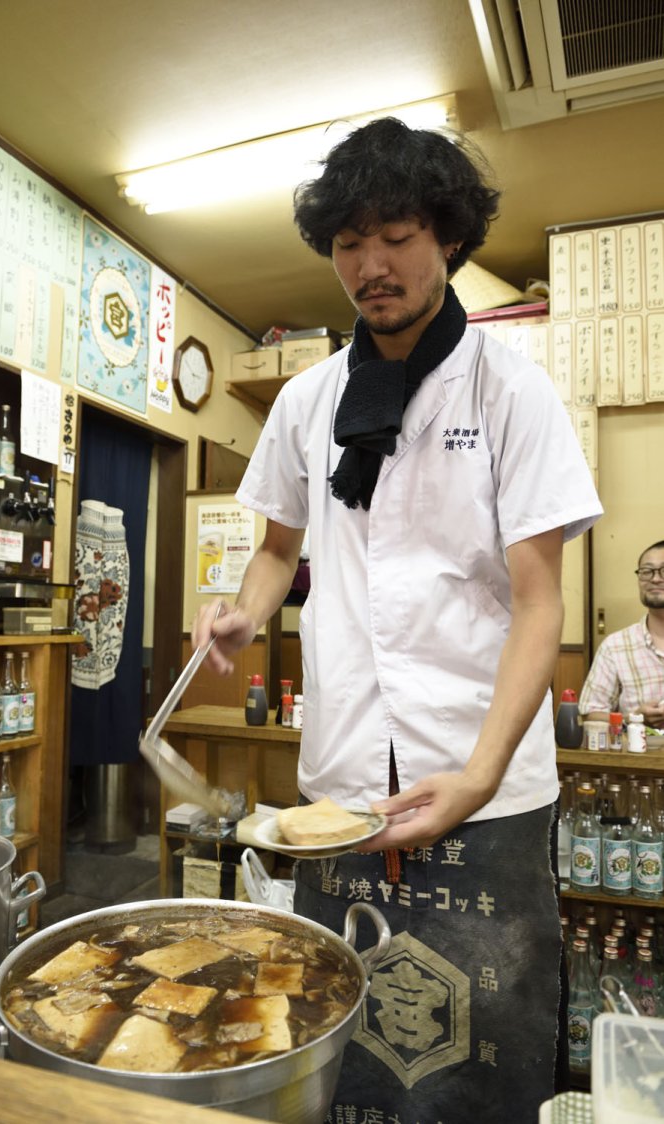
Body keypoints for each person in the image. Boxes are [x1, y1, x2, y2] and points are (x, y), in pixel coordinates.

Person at [192, 118, 603, 1124]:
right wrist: (245, 613)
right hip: (343, 774)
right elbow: (279, 551)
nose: (371, 265)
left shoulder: (511, 391)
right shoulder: (306, 400)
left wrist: (479, 774)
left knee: (483, 1036)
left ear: (449, 238)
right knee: (339, 1024)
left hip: (484, 777)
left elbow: (540, 601)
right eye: (349, 243)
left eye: (397, 236)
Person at [579, 540, 664, 729]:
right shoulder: (615, 646)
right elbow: (589, 713)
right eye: (647, 571)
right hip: (639, 747)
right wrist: (632, 718)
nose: (655, 579)